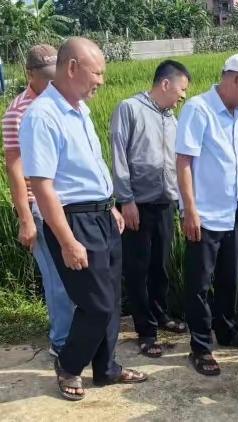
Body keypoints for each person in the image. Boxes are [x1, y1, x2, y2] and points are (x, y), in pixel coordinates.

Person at [19, 37, 147, 402]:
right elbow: (42, 186)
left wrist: (110, 207)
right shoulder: (42, 116)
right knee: (96, 303)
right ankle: (70, 364)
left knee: (110, 298)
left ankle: (106, 369)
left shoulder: (80, 110)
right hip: (73, 222)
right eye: (98, 72)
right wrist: (67, 240)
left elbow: (87, 171)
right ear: (72, 67)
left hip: (101, 216)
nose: (102, 80)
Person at [176, 53, 238, 376]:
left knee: (230, 277)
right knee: (199, 284)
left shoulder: (237, 113)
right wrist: (189, 210)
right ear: (234, 79)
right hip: (203, 215)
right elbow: (184, 163)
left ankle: (228, 332)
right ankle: (201, 347)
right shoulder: (198, 110)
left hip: (234, 211)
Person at [110, 60, 190, 358]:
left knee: (160, 264)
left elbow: (178, 165)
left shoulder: (172, 118)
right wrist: (126, 199)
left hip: (164, 202)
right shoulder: (129, 108)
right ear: (165, 84)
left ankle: (160, 314)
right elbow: (119, 155)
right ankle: (145, 330)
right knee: (138, 268)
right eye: (181, 89)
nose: (182, 97)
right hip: (137, 204)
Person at [1, 44, 74, 358]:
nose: (51, 81)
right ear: (29, 74)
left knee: (75, 276)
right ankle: (61, 344)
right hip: (40, 205)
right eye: (45, 76)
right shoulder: (18, 111)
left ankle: (78, 337)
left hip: (70, 203)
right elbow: (15, 168)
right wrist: (26, 217)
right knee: (57, 278)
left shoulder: (62, 103)